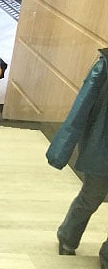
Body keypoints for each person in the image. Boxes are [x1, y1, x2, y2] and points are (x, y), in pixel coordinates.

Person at [46, 48, 108, 268]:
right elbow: (81, 106)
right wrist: (63, 145)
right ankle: (68, 236)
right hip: (102, 146)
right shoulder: (104, 65)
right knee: (92, 196)